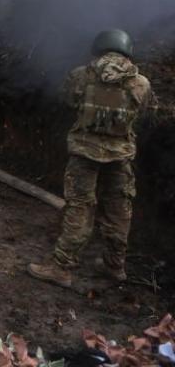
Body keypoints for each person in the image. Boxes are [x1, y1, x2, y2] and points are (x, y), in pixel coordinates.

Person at [28, 29, 157, 289]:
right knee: (119, 210)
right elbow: (148, 111)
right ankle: (114, 265)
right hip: (120, 157)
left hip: (84, 154)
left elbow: (68, 100)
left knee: (80, 207)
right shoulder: (141, 83)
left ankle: (62, 267)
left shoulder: (81, 75)